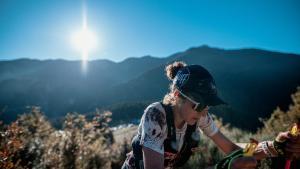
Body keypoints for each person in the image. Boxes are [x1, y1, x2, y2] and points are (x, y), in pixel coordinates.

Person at [121, 61, 300, 169]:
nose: (204, 112)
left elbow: (232, 149)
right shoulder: (156, 116)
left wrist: (273, 147)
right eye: (199, 105)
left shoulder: (201, 116)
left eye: (208, 106)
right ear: (177, 96)